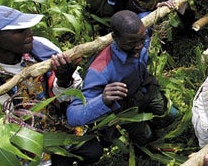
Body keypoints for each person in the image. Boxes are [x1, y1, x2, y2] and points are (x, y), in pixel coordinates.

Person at [0, 5, 102, 166]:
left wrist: (64, 79)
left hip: (61, 124)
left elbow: (73, 95)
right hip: (25, 142)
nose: (30, 32)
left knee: (93, 152)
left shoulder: (41, 48)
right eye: (20, 30)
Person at [66, 10, 177, 145]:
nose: (139, 46)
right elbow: (73, 115)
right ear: (115, 37)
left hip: (146, 90)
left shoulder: (139, 32)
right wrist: (103, 100)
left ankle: (155, 124)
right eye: (131, 43)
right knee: (146, 136)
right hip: (126, 108)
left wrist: (162, 6)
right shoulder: (100, 69)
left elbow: (149, 15)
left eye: (142, 39)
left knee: (171, 115)